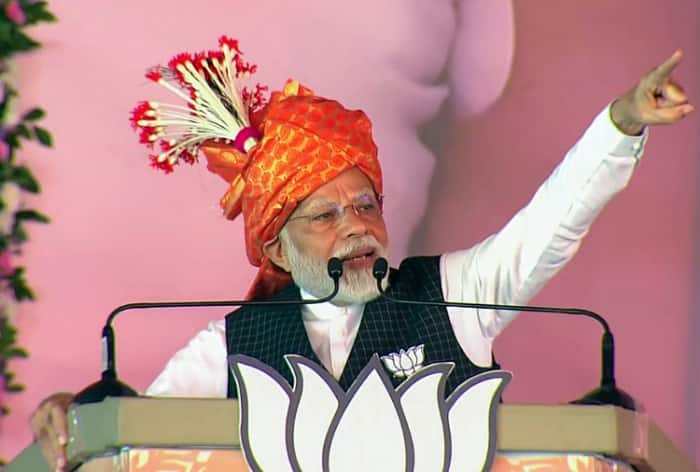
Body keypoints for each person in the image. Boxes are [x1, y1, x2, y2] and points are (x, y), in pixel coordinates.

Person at [30, 48, 692, 472]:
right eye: (325, 216)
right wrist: (75, 415)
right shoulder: (228, 346)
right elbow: (133, 442)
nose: (357, 229)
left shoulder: (451, 296)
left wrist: (622, 121)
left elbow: (551, 225)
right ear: (273, 247)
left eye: (366, 205)